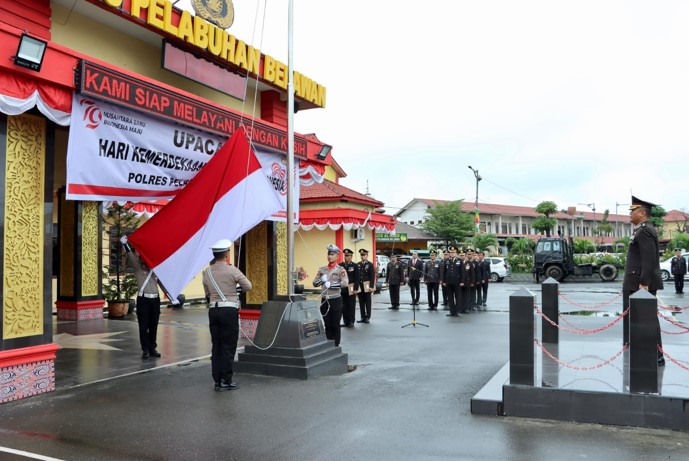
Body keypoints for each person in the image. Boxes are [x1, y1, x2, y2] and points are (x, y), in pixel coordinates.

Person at [202, 239, 252, 391]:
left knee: (216, 345)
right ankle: (226, 380)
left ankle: (217, 380)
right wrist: (234, 290)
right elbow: (248, 286)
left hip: (213, 310)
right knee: (228, 345)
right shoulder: (232, 270)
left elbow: (207, 293)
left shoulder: (207, 272)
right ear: (226, 254)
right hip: (228, 310)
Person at [622, 196, 664, 366]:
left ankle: (657, 354)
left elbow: (648, 260)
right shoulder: (641, 229)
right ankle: (646, 350)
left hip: (641, 284)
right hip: (635, 282)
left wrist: (644, 283)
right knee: (641, 319)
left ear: (642, 212)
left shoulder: (645, 230)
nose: (630, 214)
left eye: (632, 211)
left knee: (648, 319)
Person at [121, 235, 162, 360]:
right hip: (143, 300)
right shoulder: (138, 268)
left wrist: (172, 296)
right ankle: (145, 349)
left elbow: (163, 283)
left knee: (153, 325)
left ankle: (152, 348)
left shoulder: (156, 270)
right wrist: (125, 244)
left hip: (155, 299)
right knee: (143, 326)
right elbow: (131, 256)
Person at [313, 244, 348, 347]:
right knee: (327, 323)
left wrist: (332, 285)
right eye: (328, 254)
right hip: (325, 299)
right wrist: (321, 280)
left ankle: (336, 344)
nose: (329, 256)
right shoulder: (322, 270)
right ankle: (328, 342)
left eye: (332, 254)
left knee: (335, 323)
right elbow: (314, 283)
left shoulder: (340, 270)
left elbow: (345, 283)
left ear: (337, 256)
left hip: (335, 299)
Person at [339, 248, 360, 328]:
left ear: (351, 256)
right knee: (343, 306)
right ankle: (345, 321)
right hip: (343, 289)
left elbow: (357, 278)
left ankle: (351, 321)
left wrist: (355, 289)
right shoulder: (341, 265)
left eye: (348, 256)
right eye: (345, 255)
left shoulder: (354, 266)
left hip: (351, 289)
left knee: (351, 305)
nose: (346, 257)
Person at [441, 246, 462, 317]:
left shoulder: (459, 261)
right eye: (451, 253)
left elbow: (462, 272)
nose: (452, 254)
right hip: (448, 282)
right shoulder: (447, 261)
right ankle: (451, 311)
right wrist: (443, 281)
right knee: (450, 298)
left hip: (457, 282)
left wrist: (462, 281)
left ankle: (456, 311)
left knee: (457, 297)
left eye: (453, 253)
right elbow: (444, 272)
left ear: (456, 253)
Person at [356, 248, 376, 323]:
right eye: (361, 255)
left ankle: (368, 316)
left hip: (367, 287)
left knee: (367, 302)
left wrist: (371, 286)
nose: (362, 256)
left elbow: (372, 276)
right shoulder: (358, 264)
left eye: (364, 255)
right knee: (361, 302)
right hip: (360, 287)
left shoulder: (370, 265)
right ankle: (362, 316)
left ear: (367, 255)